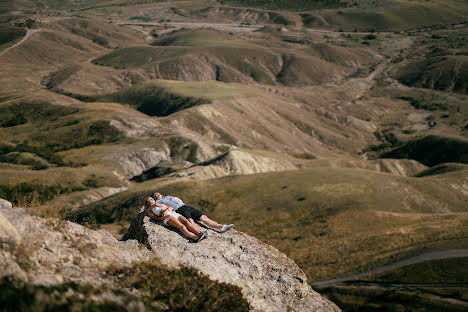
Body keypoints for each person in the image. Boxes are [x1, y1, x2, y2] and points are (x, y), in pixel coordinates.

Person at [152, 192, 233, 233]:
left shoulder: (168, 196)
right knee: (190, 220)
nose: (157, 193)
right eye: (155, 194)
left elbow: (179, 200)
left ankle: (221, 227)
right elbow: (158, 208)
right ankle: (199, 232)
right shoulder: (158, 202)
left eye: (157, 193)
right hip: (179, 210)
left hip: (186, 206)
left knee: (203, 217)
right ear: (154, 198)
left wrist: (177, 198)